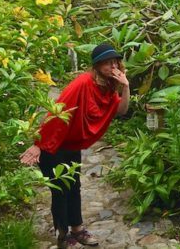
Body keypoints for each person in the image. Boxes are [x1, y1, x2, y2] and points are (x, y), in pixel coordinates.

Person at [20, 43, 130, 248]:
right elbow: (57, 113)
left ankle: (78, 229)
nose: (112, 66)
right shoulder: (82, 83)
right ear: (97, 65)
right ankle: (63, 236)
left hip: (70, 143)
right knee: (60, 190)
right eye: (107, 62)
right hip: (53, 144)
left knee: (74, 185)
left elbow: (121, 110)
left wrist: (126, 86)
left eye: (115, 61)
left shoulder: (108, 86)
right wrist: (39, 144)